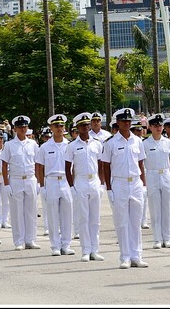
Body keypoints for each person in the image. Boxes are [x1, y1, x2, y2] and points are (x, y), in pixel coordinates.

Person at [102, 108, 148, 269]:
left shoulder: (138, 141)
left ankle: (137, 255)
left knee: (136, 221)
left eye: (129, 121)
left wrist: (144, 184)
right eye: (123, 121)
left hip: (135, 182)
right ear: (118, 123)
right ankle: (125, 256)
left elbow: (141, 163)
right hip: (120, 183)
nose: (127, 123)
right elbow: (105, 167)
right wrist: (109, 188)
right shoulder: (111, 143)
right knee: (122, 222)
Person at [65, 112, 106, 262]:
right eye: (82, 125)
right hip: (81, 181)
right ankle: (85, 250)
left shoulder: (97, 143)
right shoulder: (72, 146)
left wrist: (102, 183)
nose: (85, 127)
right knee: (83, 218)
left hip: (94, 180)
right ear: (77, 127)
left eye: (87, 125)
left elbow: (101, 164)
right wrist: (71, 187)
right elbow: (67, 167)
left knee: (95, 218)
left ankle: (95, 249)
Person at [35, 114, 75, 256]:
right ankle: (55, 245)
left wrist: (73, 185)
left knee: (67, 214)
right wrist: (42, 186)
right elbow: (39, 167)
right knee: (52, 215)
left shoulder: (70, 145)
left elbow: (74, 167)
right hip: (51, 181)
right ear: (51, 128)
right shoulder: (45, 147)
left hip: (65, 181)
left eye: (61, 125)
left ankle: (66, 244)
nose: (59, 128)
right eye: (56, 126)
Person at [0, 115, 41, 251]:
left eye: (24, 127)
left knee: (31, 211)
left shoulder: (33, 144)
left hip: (30, 178)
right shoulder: (10, 145)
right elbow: (4, 165)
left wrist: (39, 181)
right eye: (20, 127)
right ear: (15, 129)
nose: (23, 129)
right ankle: (18, 240)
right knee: (17, 212)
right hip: (16, 179)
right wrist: (6, 184)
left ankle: (30, 240)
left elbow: (38, 164)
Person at [143, 114, 170, 250]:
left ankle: (167, 238)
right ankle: (157, 238)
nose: (158, 128)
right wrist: (144, 182)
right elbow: (142, 163)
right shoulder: (145, 143)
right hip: (152, 174)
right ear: (150, 127)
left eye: (160, 126)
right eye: (155, 126)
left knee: (167, 207)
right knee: (155, 208)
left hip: (166, 174)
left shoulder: (168, 142)